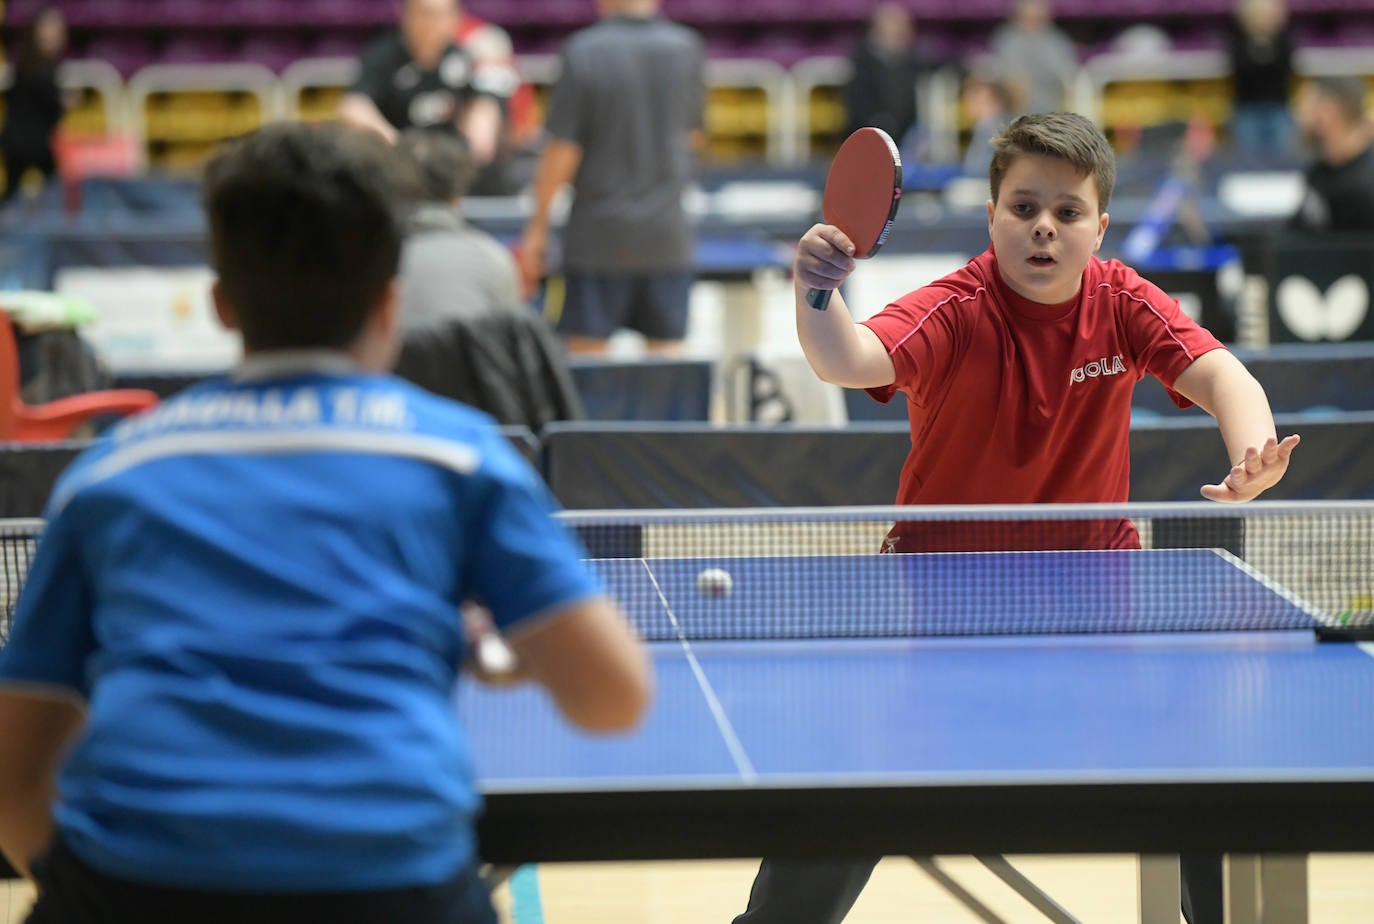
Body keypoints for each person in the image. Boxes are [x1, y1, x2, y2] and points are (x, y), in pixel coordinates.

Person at [0, 121, 651, 924]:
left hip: (128, 886)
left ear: (220, 305)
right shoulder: (461, 460)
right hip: (389, 884)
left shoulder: (109, 473)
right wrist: (507, 658)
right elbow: (613, 699)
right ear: (389, 304)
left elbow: (15, 782)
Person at [733, 111, 1300, 924]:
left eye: (1067, 213)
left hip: (1098, 596)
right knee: (850, 779)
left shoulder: (1121, 299)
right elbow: (847, 359)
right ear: (992, 216)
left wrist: (1253, 454)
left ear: (1100, 227)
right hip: (938, 597)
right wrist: (817, 290)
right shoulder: (956, 308)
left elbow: (1222, 376)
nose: (1044, 228)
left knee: (1209, 757)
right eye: (1023, 208)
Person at [517, 0, 706, 356]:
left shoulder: (583, 50)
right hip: (666, 236)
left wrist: (537, 227)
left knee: (588, 372)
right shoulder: (687, 48)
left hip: (596, 239)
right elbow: (692, 137)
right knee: (667, 370)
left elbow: (562, 151)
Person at [392, 129, 583, 430]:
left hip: (394, 427)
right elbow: (511, 353)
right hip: (483, 431)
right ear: (457, 195)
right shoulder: (494, 258)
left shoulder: (366, 265)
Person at [339, 0, 514, 169]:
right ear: (406, 14)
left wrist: (484, 114)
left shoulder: (462, 56)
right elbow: (354, 106)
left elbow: (486, 97)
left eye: (442, 14)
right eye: (425, 13)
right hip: (396, 162)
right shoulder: (382, 54)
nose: (433, 22)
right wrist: (396, 142)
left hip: (446, 163)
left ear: (456, 18)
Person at [1290, 75, 1374, 233]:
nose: (1298, 117)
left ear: (1328, 112)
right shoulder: (1320, 171)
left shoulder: (1366, 186)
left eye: (1306, 107)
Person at [1, 6, 67, 205]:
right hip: (31, 144)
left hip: (18, 141)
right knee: (53, 189)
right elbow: (52, 106)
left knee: (12, 192)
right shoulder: (42, 68)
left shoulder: (24, 63)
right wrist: (65, 100)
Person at [843, 3, 923, 151]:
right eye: (894, 28)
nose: (899, 33)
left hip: (907, 136)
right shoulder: (862, 64)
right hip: (867, 137)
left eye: (902, 29)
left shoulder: (914, 62)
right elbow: (857, 107)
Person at [1228, 0, 1296, 155]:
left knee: (1283, 158)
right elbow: (1243, 71)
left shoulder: (1284, 40)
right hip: (1247, 109)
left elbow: (1284, 70)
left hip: (1278, 107)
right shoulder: (1237, 40)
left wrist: (1259, 57)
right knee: (1247, 159)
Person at [988, 0, 1077, 117]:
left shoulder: (1056, 40)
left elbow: (1067, 72)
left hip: (1048, 101)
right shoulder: (1006, 39)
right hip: (1010, 104)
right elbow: (1001, 71)